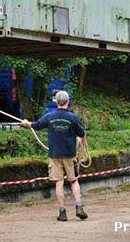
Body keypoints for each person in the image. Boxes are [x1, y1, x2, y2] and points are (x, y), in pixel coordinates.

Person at [21, 90, 88, 221]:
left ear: (56, 102)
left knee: (59, 183)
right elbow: (82, 134)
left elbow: (36, 125)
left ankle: (62, 213)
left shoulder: (49, 116)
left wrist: (25, 124)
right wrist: (83, 147)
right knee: (74, 181)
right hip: (70, 155)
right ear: (68, 102)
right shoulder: (73, 117)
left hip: (54, 155)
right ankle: (79, 207)